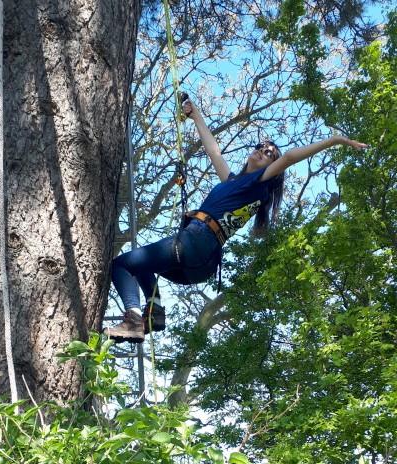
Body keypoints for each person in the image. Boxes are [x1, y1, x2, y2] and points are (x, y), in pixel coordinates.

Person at [105, 97, 367, 342]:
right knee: (143, 264)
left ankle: (135, 321)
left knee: (122, 264)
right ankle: (156, 311)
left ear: (271, 168)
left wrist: (334, 141)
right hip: (202, 259)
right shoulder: (233, 182)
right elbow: (214, 151)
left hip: (197, 241)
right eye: (261, 147)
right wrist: (196, 117)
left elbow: (288, 158)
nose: (263, 151)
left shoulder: (259, 185)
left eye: (269, 154)